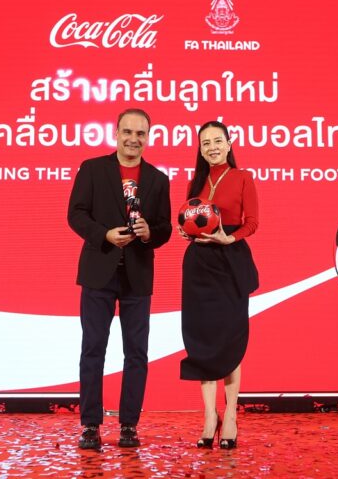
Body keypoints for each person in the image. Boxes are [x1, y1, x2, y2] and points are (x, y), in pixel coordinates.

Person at [68, 108, 172, 450]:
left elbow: (165, 228)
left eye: (140, 133)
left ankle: (129, 425)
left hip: (137, 276)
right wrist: (105, 234)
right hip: (98, 271)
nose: (133, 139)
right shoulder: (92, 169)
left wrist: (149, 233)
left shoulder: (158, 179)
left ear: (148, 137)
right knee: (93, 349)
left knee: (137, 353)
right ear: (116, 133)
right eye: (128, 132)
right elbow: (76, 215)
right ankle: (90, 425)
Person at [178, 120, 259, 450]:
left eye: (217, 141)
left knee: (229, 340)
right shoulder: (195, 182)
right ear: (200, 149)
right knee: (203, 340)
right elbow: (189, 219)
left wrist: (230, 238)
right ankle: (209, 416)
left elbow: (253, 222)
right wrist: (186, 231)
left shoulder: (243, 178)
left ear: (229, 144)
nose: (211, 147)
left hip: (230, 262)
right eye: (205, 143)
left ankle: (231, 417)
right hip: (199, 265)